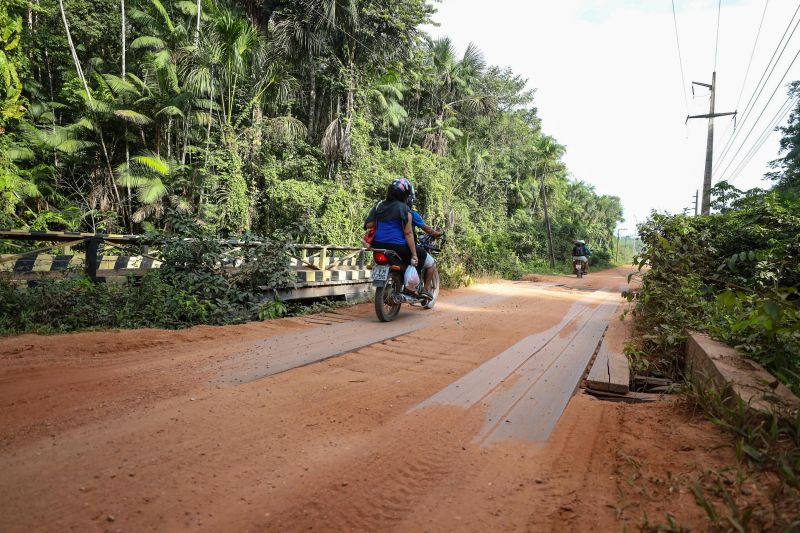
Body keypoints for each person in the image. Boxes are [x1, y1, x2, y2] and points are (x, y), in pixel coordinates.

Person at [364, 178, 429, 293]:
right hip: (398, 246)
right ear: (404, 195)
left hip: (378, 245)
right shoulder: (405, 209)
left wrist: (383, 218)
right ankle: (416, 286)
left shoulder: (379, 206)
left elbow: (369, 224)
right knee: (422, 254)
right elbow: (408, 233)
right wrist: (414, 255)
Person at [406, 182, 443, 295]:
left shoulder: (386, 210)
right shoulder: (410, 213)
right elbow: (427, 229)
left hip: (384, 245)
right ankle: (424, 289)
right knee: (429, 261)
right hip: (405, 245)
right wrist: (437, 234)